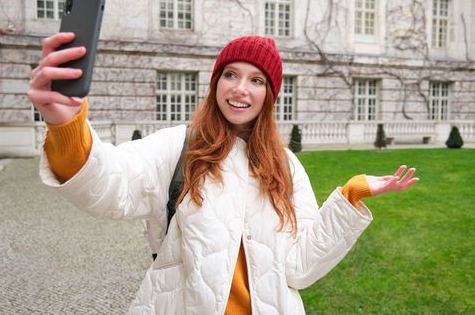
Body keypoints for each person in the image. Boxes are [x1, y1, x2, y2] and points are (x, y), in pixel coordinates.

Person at [28, 34, 419, 315]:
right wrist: (67, 125)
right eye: (231, 74)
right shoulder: (180, 147)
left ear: (269, 94)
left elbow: (299, 268)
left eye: (256, 80)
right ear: (216, 82)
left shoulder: (284, 164)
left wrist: (349, 198)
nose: (240, 89)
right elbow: (110, 183)